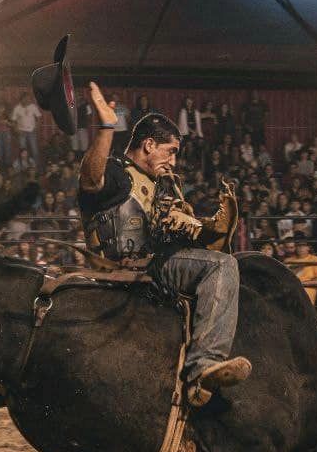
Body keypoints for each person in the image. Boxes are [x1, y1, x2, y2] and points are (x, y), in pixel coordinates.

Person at [77, 82, 250, 406]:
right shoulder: (117, 173)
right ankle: (203, 366)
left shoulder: (159, 186)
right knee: (223, 267)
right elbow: (90, 179)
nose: (173, 161)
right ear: (148, 144)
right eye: (170, 151)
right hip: (132, 268)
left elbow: (169, 230)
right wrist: (106, 127)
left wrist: (204, 230)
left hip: (155, 265)